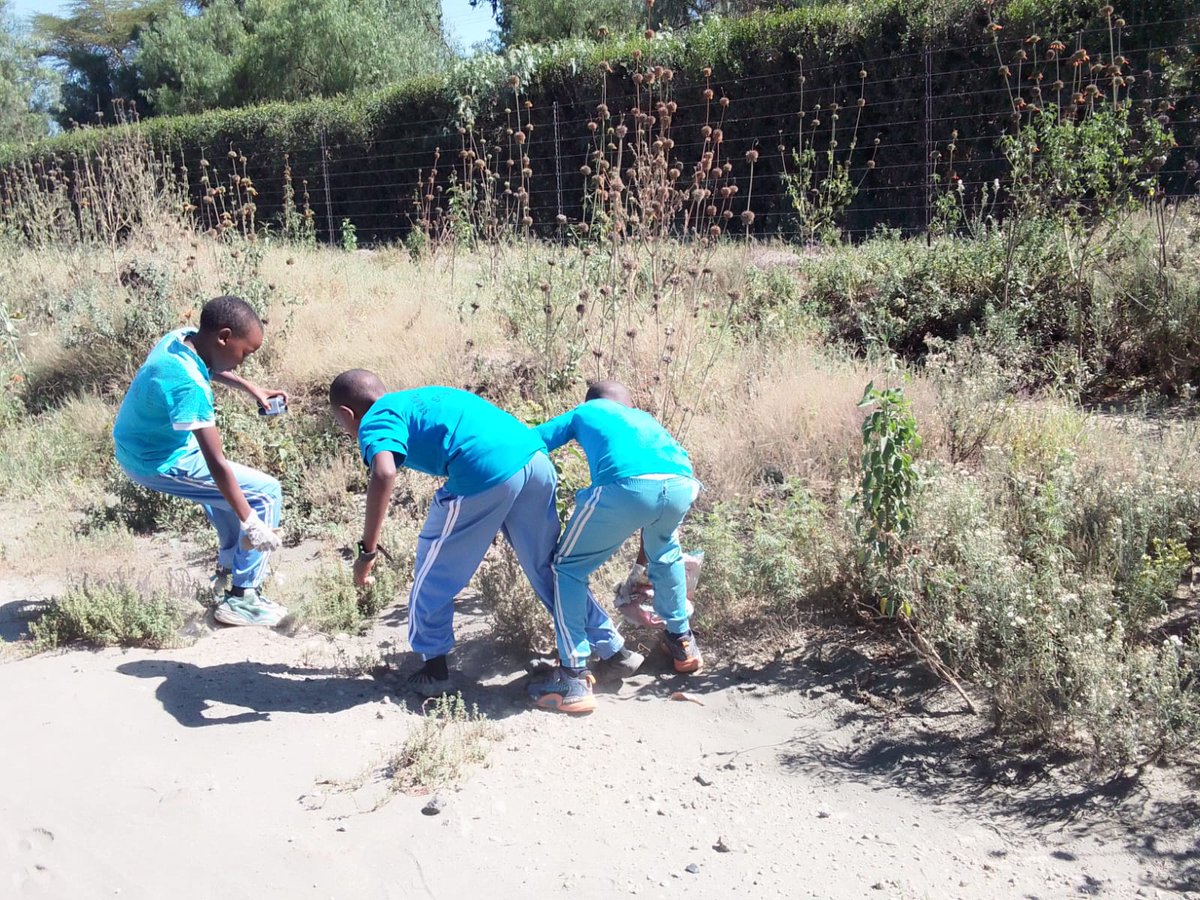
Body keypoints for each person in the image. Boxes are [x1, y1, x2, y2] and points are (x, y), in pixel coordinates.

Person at [328, 370, 642, 700]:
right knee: (548, 568)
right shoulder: (421, 395)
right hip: (534, 460)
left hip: (485, 470)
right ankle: (615, 651)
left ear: (348, 414)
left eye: (341, 423)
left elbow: (384, 471)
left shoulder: (374, 417)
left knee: (433, 569)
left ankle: (434, 670)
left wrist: (368, 551)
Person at [528, 380, 703, 714]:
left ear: (594, 400)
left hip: (625, 485)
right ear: (627, 402)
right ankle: (683, 644)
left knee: (567, 568)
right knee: (664, 555)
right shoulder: (645, 419)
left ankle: (573, 675)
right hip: (682, 485)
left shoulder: (586, 411)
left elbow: (532, 441)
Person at [112, 295, 287, 627]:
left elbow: (211, 366)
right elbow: (216, 463)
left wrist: (254, 389)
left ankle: (227, 570)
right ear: (223, 336)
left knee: (231, 494)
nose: (244, 361)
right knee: (263, 494)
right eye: (245, 353)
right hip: (155, 460)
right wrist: (252, 523)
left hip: (141, 443)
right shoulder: (189, 386)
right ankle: (242, 598)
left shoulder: (181, 338)